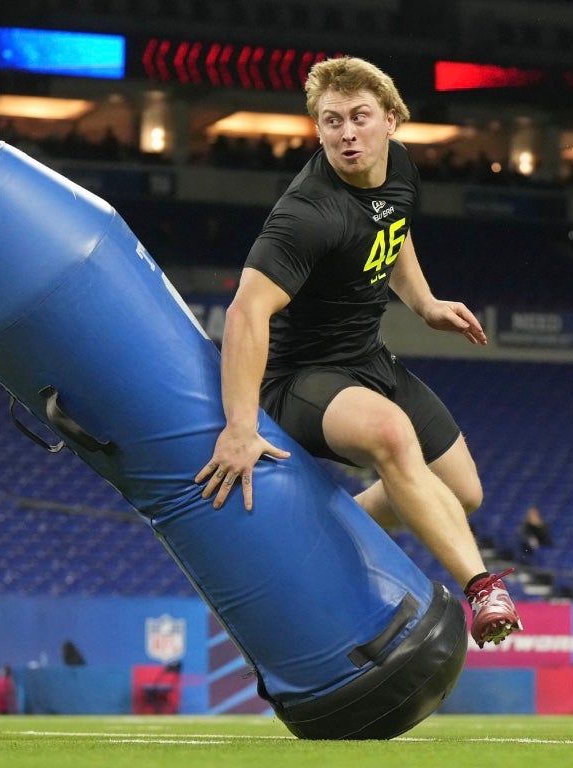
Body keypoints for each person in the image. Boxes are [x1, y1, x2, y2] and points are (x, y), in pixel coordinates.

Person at [195, 56, 521, 648]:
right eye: (332, 120)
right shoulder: (306, 215)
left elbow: (392, 227)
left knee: (464, 494)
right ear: (316, 129)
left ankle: (316, 542)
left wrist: (422, 302)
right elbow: (245, 312)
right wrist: (240, 426)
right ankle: (483, 589)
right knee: (393, 438)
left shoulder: (397, 165)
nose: (347, 133)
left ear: (392, 121)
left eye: (360, 117)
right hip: (299, 377)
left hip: (367, 359)